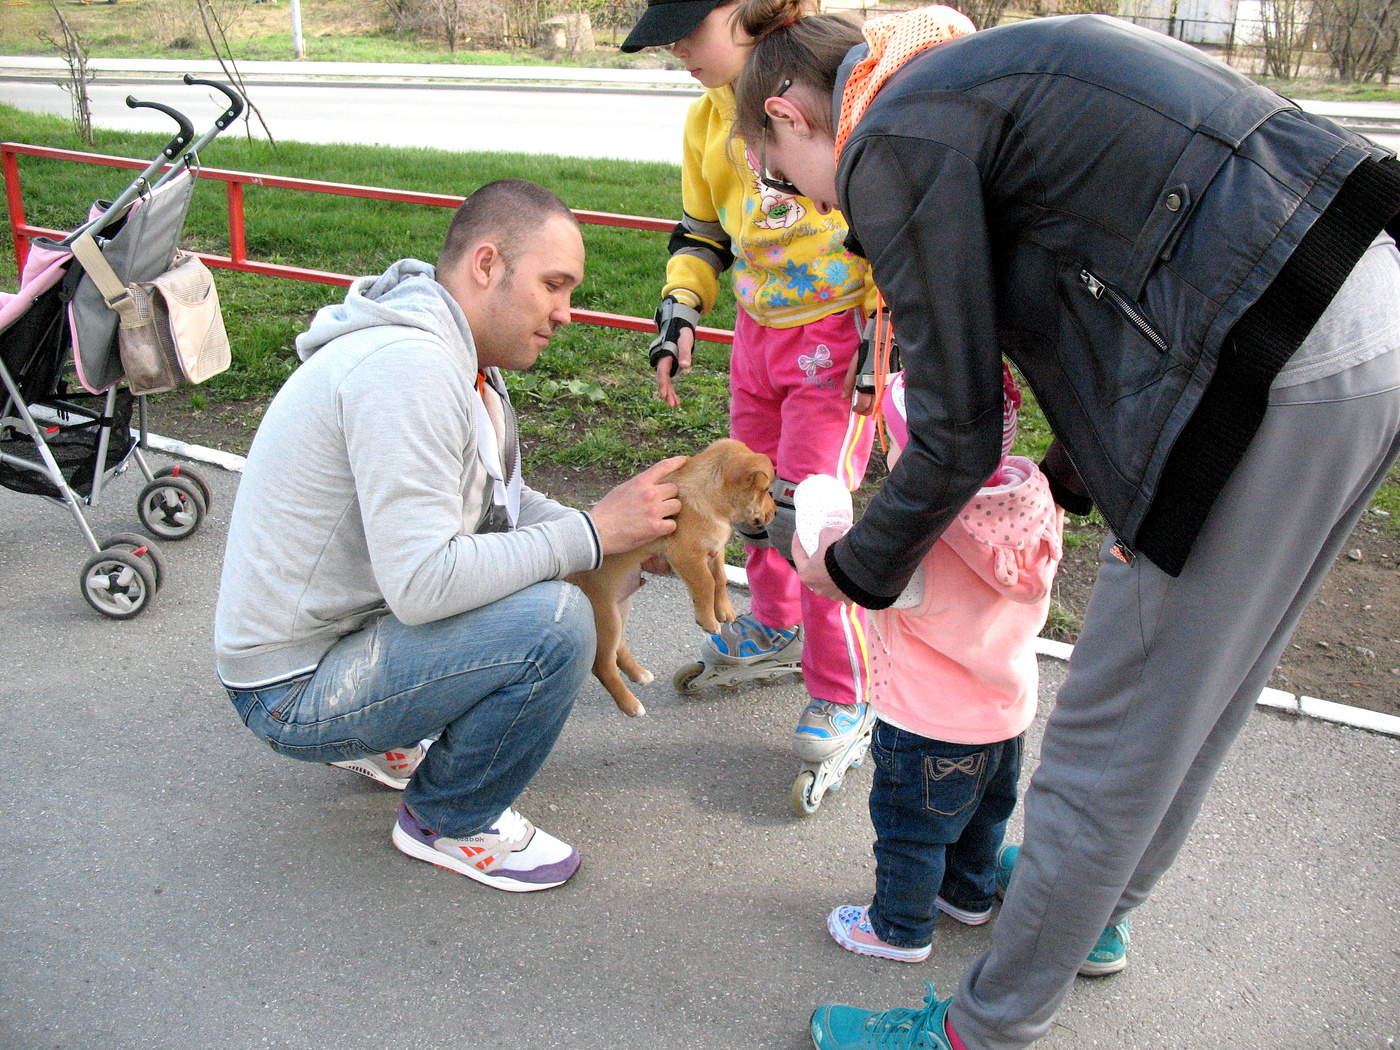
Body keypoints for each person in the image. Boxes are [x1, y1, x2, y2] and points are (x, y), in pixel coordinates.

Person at [732, 6, 1400, 1048]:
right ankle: (1088, 921)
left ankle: (981, 1028)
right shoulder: (973, 76)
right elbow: (1102, 286)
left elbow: (948, 434)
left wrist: (850, 570)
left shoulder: (894, 135)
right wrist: (1073, 479)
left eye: (779, 175)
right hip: (1357, 312)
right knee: (1196, 701)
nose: (807, 202)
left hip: (1262, 361)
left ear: (787, 115)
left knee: (1106, 738)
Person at [213, 178, 685, 894]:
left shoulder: (465, 364)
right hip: (289, 688)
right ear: (487, 264)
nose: (567, 312)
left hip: (340, 640)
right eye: (554, 285)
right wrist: (590, 534)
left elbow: (507, 500)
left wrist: (620, 539)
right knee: (557, 620)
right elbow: (426, 582)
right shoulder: (409, 369)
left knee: (545, 570)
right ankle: (448, 820)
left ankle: (390, 736)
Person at [621, 0, 880, 766]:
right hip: (757, 336)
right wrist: (681, 305)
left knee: (812, 515)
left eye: (685, 29)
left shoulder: (826, 88)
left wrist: (883, 336)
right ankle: (774, 621)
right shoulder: (706, 120)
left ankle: (844, 687)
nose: (674, 47)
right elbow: (701, 230)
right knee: (750, 498)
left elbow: (892, 210)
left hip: (837, 337)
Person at [825, 368, 1062, 965]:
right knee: (986, 814)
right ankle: (968, 895)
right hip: (1004, 711)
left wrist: (828, 528)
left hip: (925, 720)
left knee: (912, 833)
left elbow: (865, 581)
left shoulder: (923, 527)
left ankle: (900, 928)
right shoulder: (1028, 505)